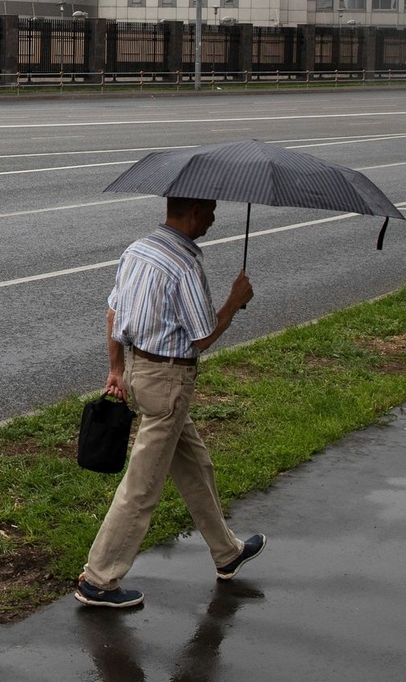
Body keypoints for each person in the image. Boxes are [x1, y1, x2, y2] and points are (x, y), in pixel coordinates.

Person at [76, 195, 265, 610]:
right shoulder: (185, 265)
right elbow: (202, 337)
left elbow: (113, 314)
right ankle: (99, 579)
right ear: (194, 212)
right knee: (142, 487)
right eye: (211, 212)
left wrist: (116, 370)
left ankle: (227, 551)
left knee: (195, 466)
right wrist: (235, 301)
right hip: (170, 381)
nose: (214, 219)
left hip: (139, 372)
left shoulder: (138, 250)